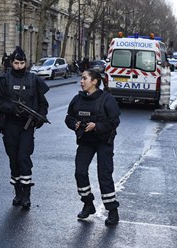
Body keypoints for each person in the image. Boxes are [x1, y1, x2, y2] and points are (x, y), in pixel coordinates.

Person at [0, 46, 50, 209]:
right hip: (10, 124)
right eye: (16, 63)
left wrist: (39, 118)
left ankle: (26, 195)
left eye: (22, 63)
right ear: (11, 63)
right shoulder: (4, 80)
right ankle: (17, 192)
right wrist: (11, 108)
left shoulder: (33, 79)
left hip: (27, 126)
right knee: (14, 159)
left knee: (24, 157)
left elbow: (43, 104)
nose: (19, 66)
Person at [65, 69, 121, 225]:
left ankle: (112, 211)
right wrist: (74, 124)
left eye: (84, 78)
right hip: (86, 142)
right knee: (80, 172)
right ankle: (88, 204)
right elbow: (68, 117)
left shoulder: (107, 99)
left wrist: (96, 126)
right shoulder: (77, 99)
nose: (81, 81)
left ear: (94, 81)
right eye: (81, 79)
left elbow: (114, 122)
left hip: (103, 141)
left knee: (104, 175)